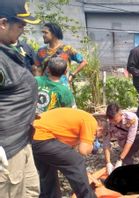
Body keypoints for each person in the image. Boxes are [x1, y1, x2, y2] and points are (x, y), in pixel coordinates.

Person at [0, 0, 40, 197]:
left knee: (30, 190)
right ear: (3, 23)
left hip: (21, 139)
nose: (23, 30)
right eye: (21, 25)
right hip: (6, 148)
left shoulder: (8, 50)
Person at [32, 108, 103, 198]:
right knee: (76, 161)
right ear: (100, 129)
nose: (94, 138)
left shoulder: (79, 122)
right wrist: (92, 147)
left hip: (32, 134)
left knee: (48, 171)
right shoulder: (91, 122)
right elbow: (83, 150)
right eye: (97, 136)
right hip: (42, 135)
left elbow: (66, 150)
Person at [35, 22, 87, 88]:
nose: (43, 35)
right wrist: (37, 84)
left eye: (46, 33)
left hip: (62, 87)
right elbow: (38, 69)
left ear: (54, 34)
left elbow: (84, 62)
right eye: (43, 33)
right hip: (46, 89)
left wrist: (72, 75)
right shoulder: (41, 51)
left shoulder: (67, 49)